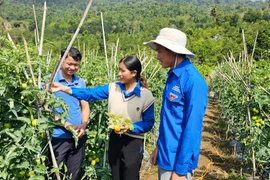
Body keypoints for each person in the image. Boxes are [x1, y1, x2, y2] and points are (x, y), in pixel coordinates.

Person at [49, 55, 155, 180]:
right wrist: (64, 89)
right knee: (115, 175)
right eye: (119, 70)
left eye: (122, 70)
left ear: (133, 73)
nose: (119, 74)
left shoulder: (146, 95)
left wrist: (131, 127)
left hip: (133, 142)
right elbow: (89, 94)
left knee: (130, 176)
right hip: (115, 138)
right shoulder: (113, 88)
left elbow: (149, 123)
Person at [144, 27, 208, 180]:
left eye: (160, 51)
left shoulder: (193, 81)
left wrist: (180, 170)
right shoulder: (172, 77)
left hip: (177, 161)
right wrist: (159, 146)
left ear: (173, 51)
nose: (157, 56)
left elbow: (193, 128)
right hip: (165, 155)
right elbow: (168, 119)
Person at [46, 47, 90, 180]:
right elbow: (46, 109)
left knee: (73, 175)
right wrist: (66, 124)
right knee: (53, 174)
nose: (72, 67)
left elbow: (85, 106)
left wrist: (83, 125)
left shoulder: (80, 82)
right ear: (60, 61)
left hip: (78, 136)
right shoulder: (49, 82)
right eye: (69, 64)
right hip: (58, 137)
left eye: (76, 65)